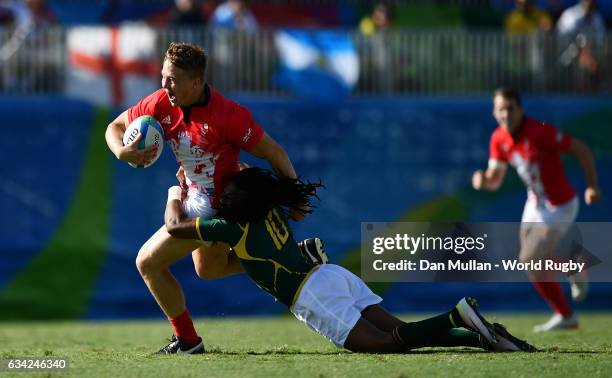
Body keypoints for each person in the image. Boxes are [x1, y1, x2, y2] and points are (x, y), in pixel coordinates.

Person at [163, 167, 536, 353]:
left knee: (385, 345)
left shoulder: (233, 225)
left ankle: (456, 316)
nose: (223, 194)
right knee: (400, 334)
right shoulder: (267, 207)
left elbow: (175, 225)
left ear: (238, 201)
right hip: (330, 274)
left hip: (314, 294)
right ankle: (482, 337)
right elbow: (247, 178)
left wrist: (177, 189)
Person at [105, 42, 321, 354]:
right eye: (163, 77)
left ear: (197, 82)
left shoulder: (228, 116)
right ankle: (293, 256)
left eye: (173, 80)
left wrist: (297, 200)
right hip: (199, 196)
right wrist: (122, 151)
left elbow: (274, 152)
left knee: (148, 263)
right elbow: (115, 126)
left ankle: (188, 341)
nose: (165, 86)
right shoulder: (162, 103)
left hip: (216, 206)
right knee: (209, 270)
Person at [472, 88, 601, 332]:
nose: (506, 114)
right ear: (494, 112)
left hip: (560, 204)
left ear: (521, 110)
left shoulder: (540, 132)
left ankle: (573, 269)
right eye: (501, 109)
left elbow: (582, 149)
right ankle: (566, 315)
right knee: (531, 263)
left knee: (528, 258)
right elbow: (495, 179)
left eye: (511, 108)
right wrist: (482, 180)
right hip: (534, 204)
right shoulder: (498, 138)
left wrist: (593, 186)